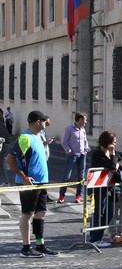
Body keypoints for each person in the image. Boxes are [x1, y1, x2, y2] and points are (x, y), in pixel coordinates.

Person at [6, 110, 59, 258]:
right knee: (27, 213)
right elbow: (10, 159)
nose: (45, 123)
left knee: (40, 213)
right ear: (37, 122)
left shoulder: (38, 137)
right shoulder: (25, 138)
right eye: (43, 121)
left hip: (41, 182)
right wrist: (23, 177)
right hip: (28, 183)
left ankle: (40, 245)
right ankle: (26, 247)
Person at [88, 131, 122, 248]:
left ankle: (100, 236)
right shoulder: (98, 153)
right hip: (99, 188)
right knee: (99, 212)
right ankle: (95, 238)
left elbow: (121, 163)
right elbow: (113, 166)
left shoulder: (111, 153)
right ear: (106, 142)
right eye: (113, 143)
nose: (114, 145)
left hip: (111, 187)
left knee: (109, 213)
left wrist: (115, 164)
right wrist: (114, 160)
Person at [58, 112, 90, 204]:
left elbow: (85, 140)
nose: (86, 122)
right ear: (80, 120)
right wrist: (69, 151)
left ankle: (78, 196)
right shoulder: (69, 129)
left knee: (81, 176)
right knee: (67, 176)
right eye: (85, 120)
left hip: (82, 155)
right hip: (73, 155)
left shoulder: (82, 129)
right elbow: (64, 142)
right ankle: (61, 195)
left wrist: (86, 149)